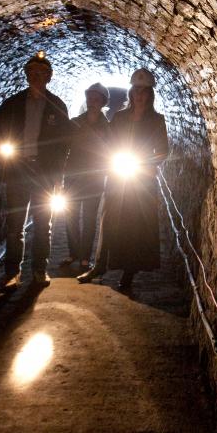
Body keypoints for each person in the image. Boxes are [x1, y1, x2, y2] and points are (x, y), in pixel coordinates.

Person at [77, 68, 169, 290]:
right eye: (136, 90)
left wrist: (147, 164)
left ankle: (129, 273)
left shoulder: (157, 120)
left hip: (142, 181)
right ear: (131, 92)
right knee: (108, 220)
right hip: (119, 177)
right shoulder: (119, 117)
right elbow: (107, 142)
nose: (140, 95)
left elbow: (163, 150)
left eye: (144, 91)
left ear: (150, 95)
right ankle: (99, 266)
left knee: (135, 227)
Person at [0, 52, 70, 288]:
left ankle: (39, 270)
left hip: (44, 172)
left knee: (44, 224)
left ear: (49, 77)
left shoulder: (57, 106)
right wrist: (2, 147)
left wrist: (58, 174)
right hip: (18, 170)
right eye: (32, 72)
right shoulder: (12, 104)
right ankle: (12, 273)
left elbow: (65, 143)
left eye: (41, 73)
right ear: (26, 75)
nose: (36, 77)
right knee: (15, 226)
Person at [60, 83, 110, 270]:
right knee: (70, 216)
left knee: (89, 217)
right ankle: (73, 253)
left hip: (94, 178)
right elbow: (64, 147)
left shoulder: (107, 127)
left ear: (102, 102)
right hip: (73, 175)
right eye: (90, 98)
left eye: (96, 99)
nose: (92, 102)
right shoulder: (74, 123)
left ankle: (85, 257)